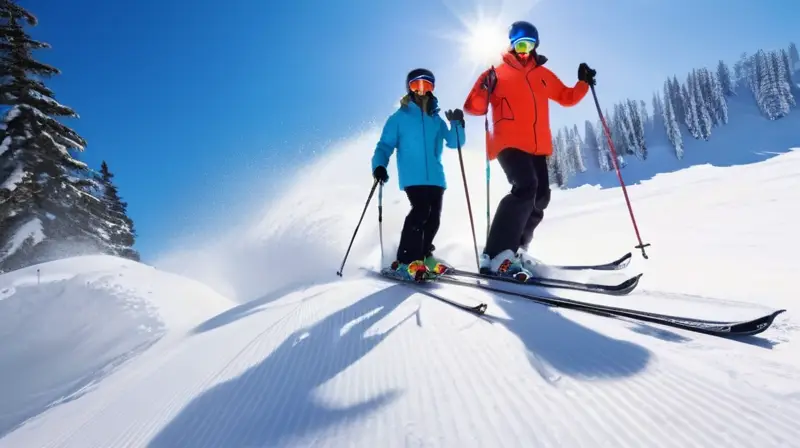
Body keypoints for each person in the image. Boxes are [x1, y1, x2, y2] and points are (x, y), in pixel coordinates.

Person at [463, 20, 596, 280]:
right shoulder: (496, 72)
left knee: (540, 197)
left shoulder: (542, 74)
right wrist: (484, 86)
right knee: (525, 186)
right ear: (511, 45)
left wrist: (583, 83)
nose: (525, 50)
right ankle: (497, 253)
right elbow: (474, 107)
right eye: (520, 45)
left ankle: (516, 250)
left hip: (536, 147)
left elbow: (566, 97)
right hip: (508, 142)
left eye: (530, 45)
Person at [371, 68, 466, 281]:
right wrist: (379, 165)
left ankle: (423, 255)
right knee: (420, 211)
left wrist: (457, 124)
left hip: (436, 178)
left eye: (427, 86)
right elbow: (384, 146)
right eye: (417, 85)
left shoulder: (436, 119)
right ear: (409, 88)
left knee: (433, 220)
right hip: (413, 177)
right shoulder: (399, 117)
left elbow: (454, 142)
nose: (422, 90)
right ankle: (405, 260)